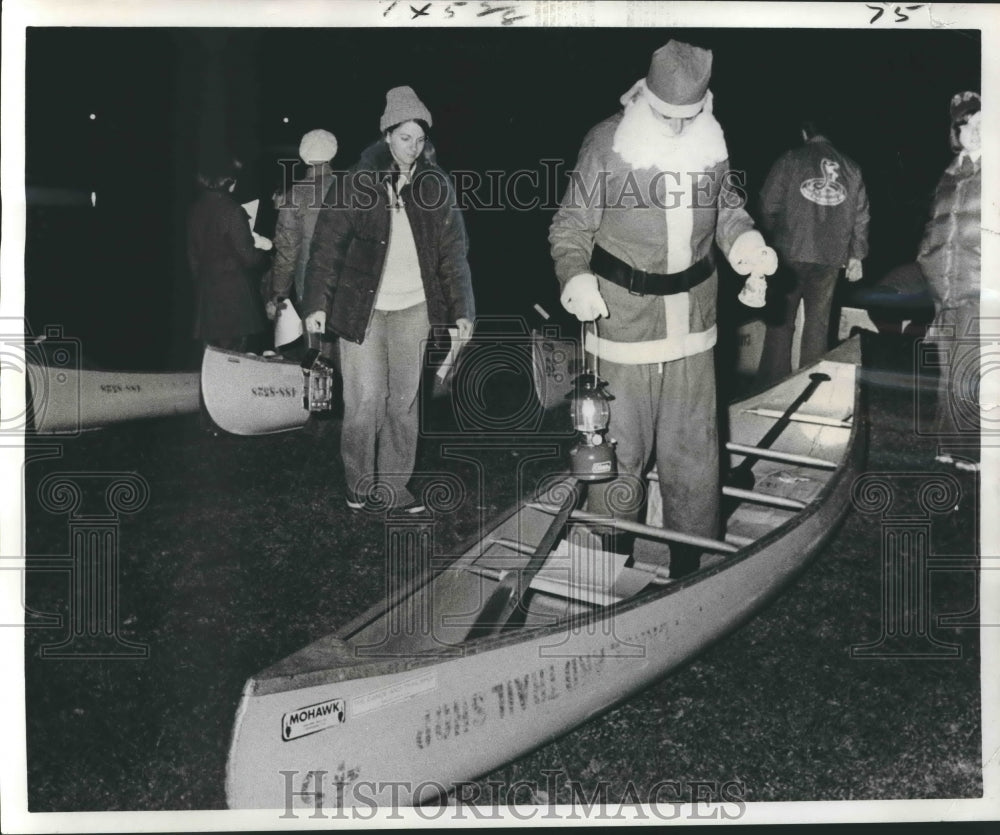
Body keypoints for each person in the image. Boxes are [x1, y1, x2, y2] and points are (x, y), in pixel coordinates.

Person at [549, 40, 777, 577]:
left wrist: (746, 243)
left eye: (689, 117)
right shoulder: (607, 143)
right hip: (621, 321)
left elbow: (726, 207)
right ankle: (608, 557)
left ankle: (688, 563)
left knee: (693, 448)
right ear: (645, 99)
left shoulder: (711, 144)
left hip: (694, 323)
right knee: (618, 447)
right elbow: (570, 226)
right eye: (666, 117)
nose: (678, 128)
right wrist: (575, 276)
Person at [303, 86, 475, 513]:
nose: (412, 148)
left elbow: (453, 252)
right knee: (365, 399)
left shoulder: (436, 185)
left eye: (419, 139)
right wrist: (316, 305)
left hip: (415, 307)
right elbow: (326, 247)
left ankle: (395, 487)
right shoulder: (355, 182)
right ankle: (359, 484)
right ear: (386, 135)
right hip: (363, 308)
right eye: (404, 138)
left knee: (404, 400)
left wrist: (462, 310)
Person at [755, 119, 870, 384]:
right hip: (830, 258)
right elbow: (862, 218)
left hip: (789, 254)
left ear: (805, 133)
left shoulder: (791, 159)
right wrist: (856, 255)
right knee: (818, 325)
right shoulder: (852, 168)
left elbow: (768, 205)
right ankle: (811, 387)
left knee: (781, 323)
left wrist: (768, 239)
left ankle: (772, 386)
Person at [917, 91, 982, 472]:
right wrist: (928, 263)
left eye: (981, 125)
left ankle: (970, 451)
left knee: (970, 371)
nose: (973, 132)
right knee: (949, 369)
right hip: (946, 288)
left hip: (982, 286)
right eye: (965, 124)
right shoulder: (950, 174)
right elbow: (936, 226)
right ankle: (949, 445)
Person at [187, 154, 272, 353]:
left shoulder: (195, 209)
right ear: (229, 180)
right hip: (233, 292)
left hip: (207, 288)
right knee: (234, 355)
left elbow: (192, 254)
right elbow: (248, 257)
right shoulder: (232, 210)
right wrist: (266, 256)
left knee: (212, 355)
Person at [264, 129, 339, 350]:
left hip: (310, 284)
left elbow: (287, 251)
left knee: (317, 351)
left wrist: (279, 295)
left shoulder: (297, 195)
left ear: (304, 156)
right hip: (348, 284)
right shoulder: (353, 190)